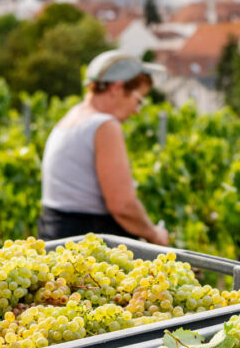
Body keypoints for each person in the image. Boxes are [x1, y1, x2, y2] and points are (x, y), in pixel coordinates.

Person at [37, 50, 170, 246]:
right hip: (87, 247)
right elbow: (122, 206)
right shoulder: (104, 125)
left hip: (56, 240)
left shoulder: (70, 119)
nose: (136, 110)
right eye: (138, 100)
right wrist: (155, 235)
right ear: (117, 88)